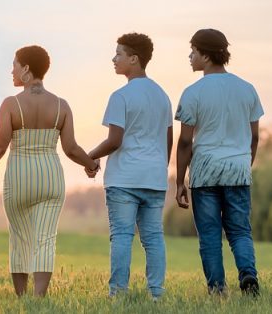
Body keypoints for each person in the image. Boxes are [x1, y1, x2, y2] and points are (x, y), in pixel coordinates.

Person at [0, 45, 99, 297]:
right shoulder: (62, 105)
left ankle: (23, 298)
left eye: (14, 64)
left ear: (26, 69)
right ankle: (38, 300)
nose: (11, 70)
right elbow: (70, 148)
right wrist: (90, 164)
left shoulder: (11, 104)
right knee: (45, 239)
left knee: (19, 239)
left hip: (19, 177)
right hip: (50, 177)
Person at [174, 28, 263, 296]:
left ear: (206, 54)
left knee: (210, 235)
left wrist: (180, 181)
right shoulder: (247, 89)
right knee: (239, 231)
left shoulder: (193, 93)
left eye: (193, 51)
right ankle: (248, 274)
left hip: (205, 172)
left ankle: (217, 289)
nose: (190, 56)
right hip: (238, 169)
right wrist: (245, 165)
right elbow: (255, 136)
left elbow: (185, 142)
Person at [87, 33, 173, 299]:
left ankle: (118, 293)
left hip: (124, 179)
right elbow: (168, 140)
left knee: (122, 236)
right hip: (155, 178)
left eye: (119, 54)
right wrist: (159, 168)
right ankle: (156, 293)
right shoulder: (162, 96)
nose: (114, 59)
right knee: (153, 237)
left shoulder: (120, 96)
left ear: (134, 59)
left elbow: (115, 140)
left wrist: (91, 155)